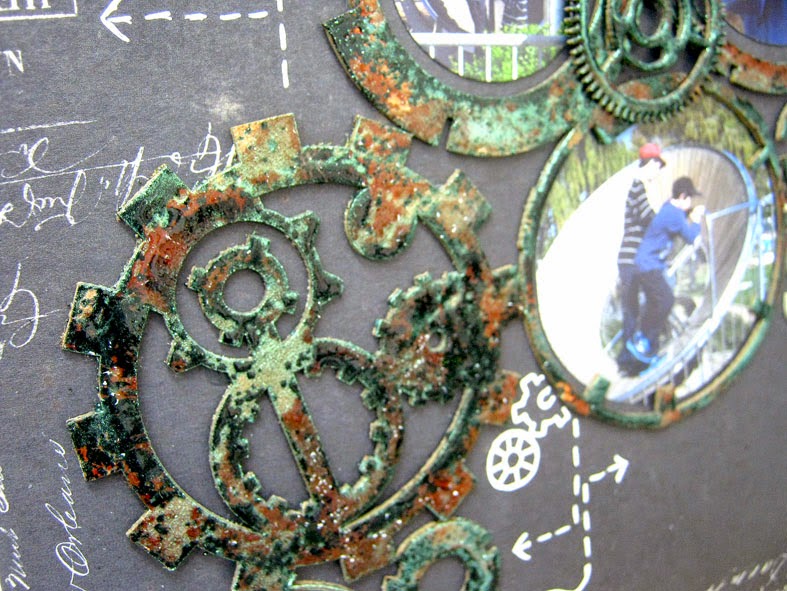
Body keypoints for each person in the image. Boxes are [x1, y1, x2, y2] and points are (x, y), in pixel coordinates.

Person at [627, 176, 706, 368]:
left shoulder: (669, 208)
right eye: (689, 198)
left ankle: (648, 348)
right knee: (666, 301)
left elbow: (674, 223)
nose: (690, 203)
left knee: (656, 302)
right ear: (683, 196)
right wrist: (696, 220)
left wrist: (687, 214)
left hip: (644, 264)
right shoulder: (674, 215)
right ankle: (643, 341)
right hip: (649, 265)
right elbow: (691, 238)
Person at [615, 142, 666, 375]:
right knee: (648, 304)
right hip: (633, 260)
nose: (658, 172)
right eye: (658, 166)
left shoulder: (640, 188)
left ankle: (632, 359)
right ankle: (636, 358)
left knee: (635, 309)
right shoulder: (638, 187)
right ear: (651, 164)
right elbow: (649, 218)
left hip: (632, 260)